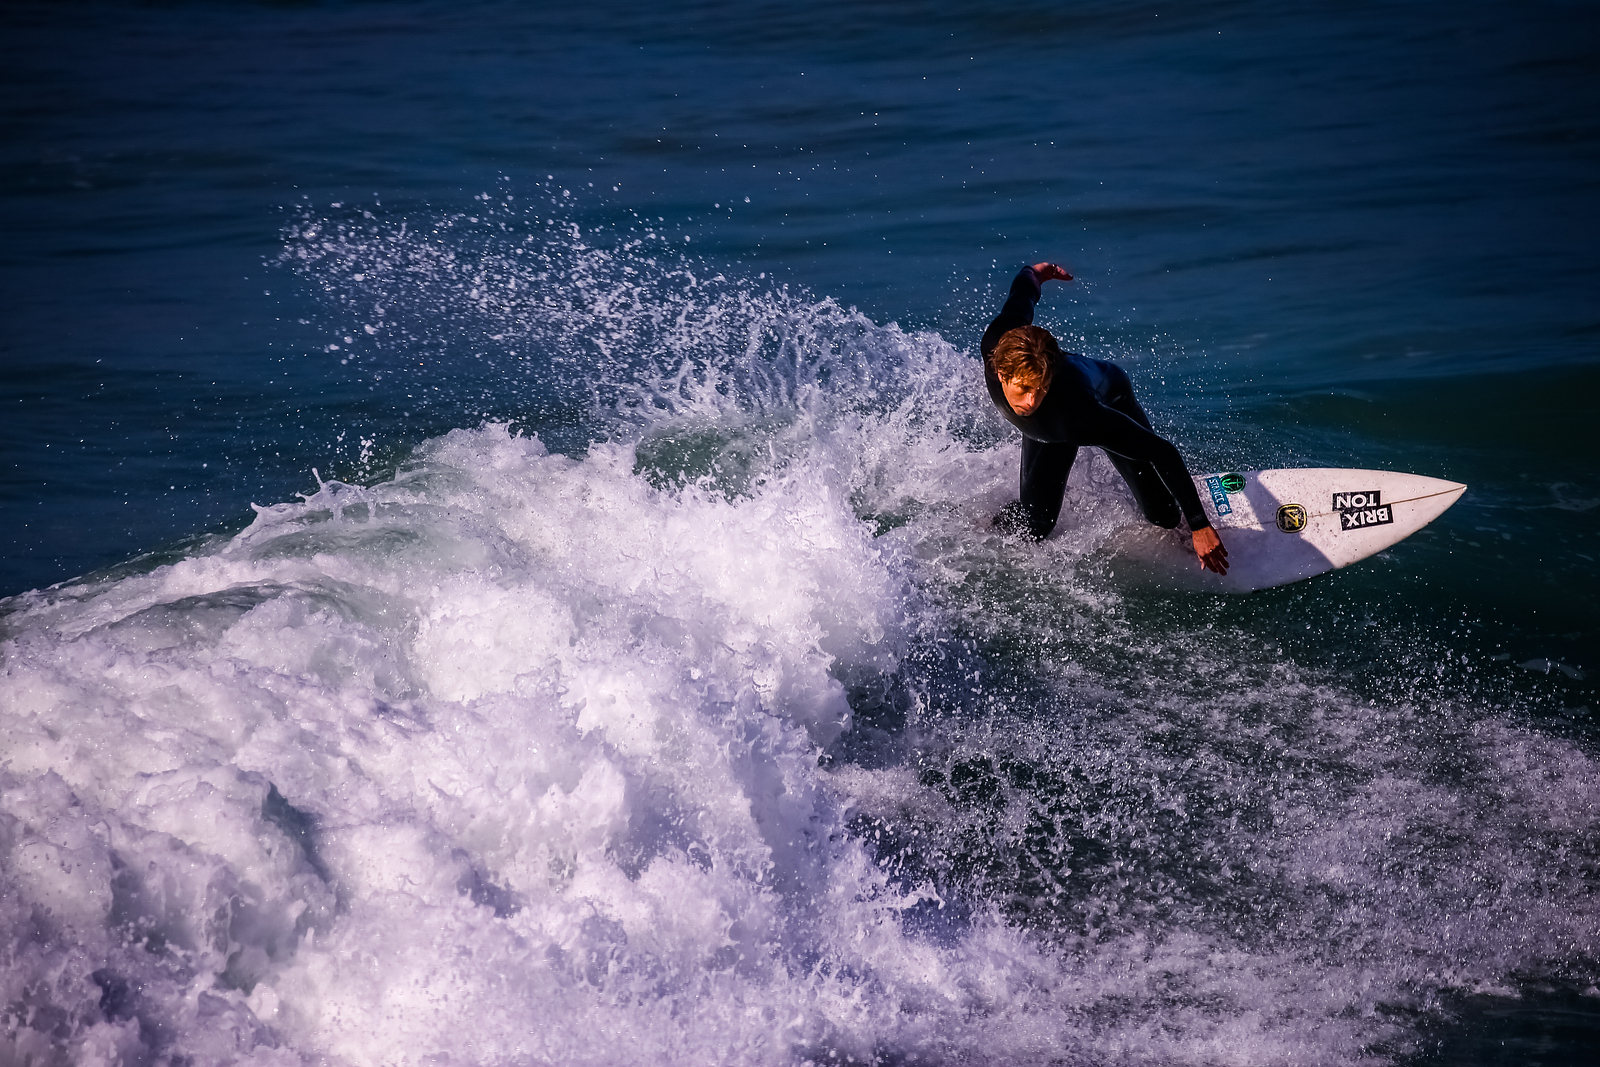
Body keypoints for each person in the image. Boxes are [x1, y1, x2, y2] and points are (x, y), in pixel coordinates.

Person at [981, 262, 1229, 575]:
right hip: (1053, 426)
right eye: (1026, 388)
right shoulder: (996, 343)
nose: (1032, 400)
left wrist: (1200, 526)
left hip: (1109, 396)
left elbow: (1161, 450)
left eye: (1042, 388)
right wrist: (1035, 273)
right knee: (1035, 527)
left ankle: (1183, 507)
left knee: (1164, 516)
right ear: (1002, 373)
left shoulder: (1079, 413)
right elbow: (1022, 297)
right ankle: (985, 526)